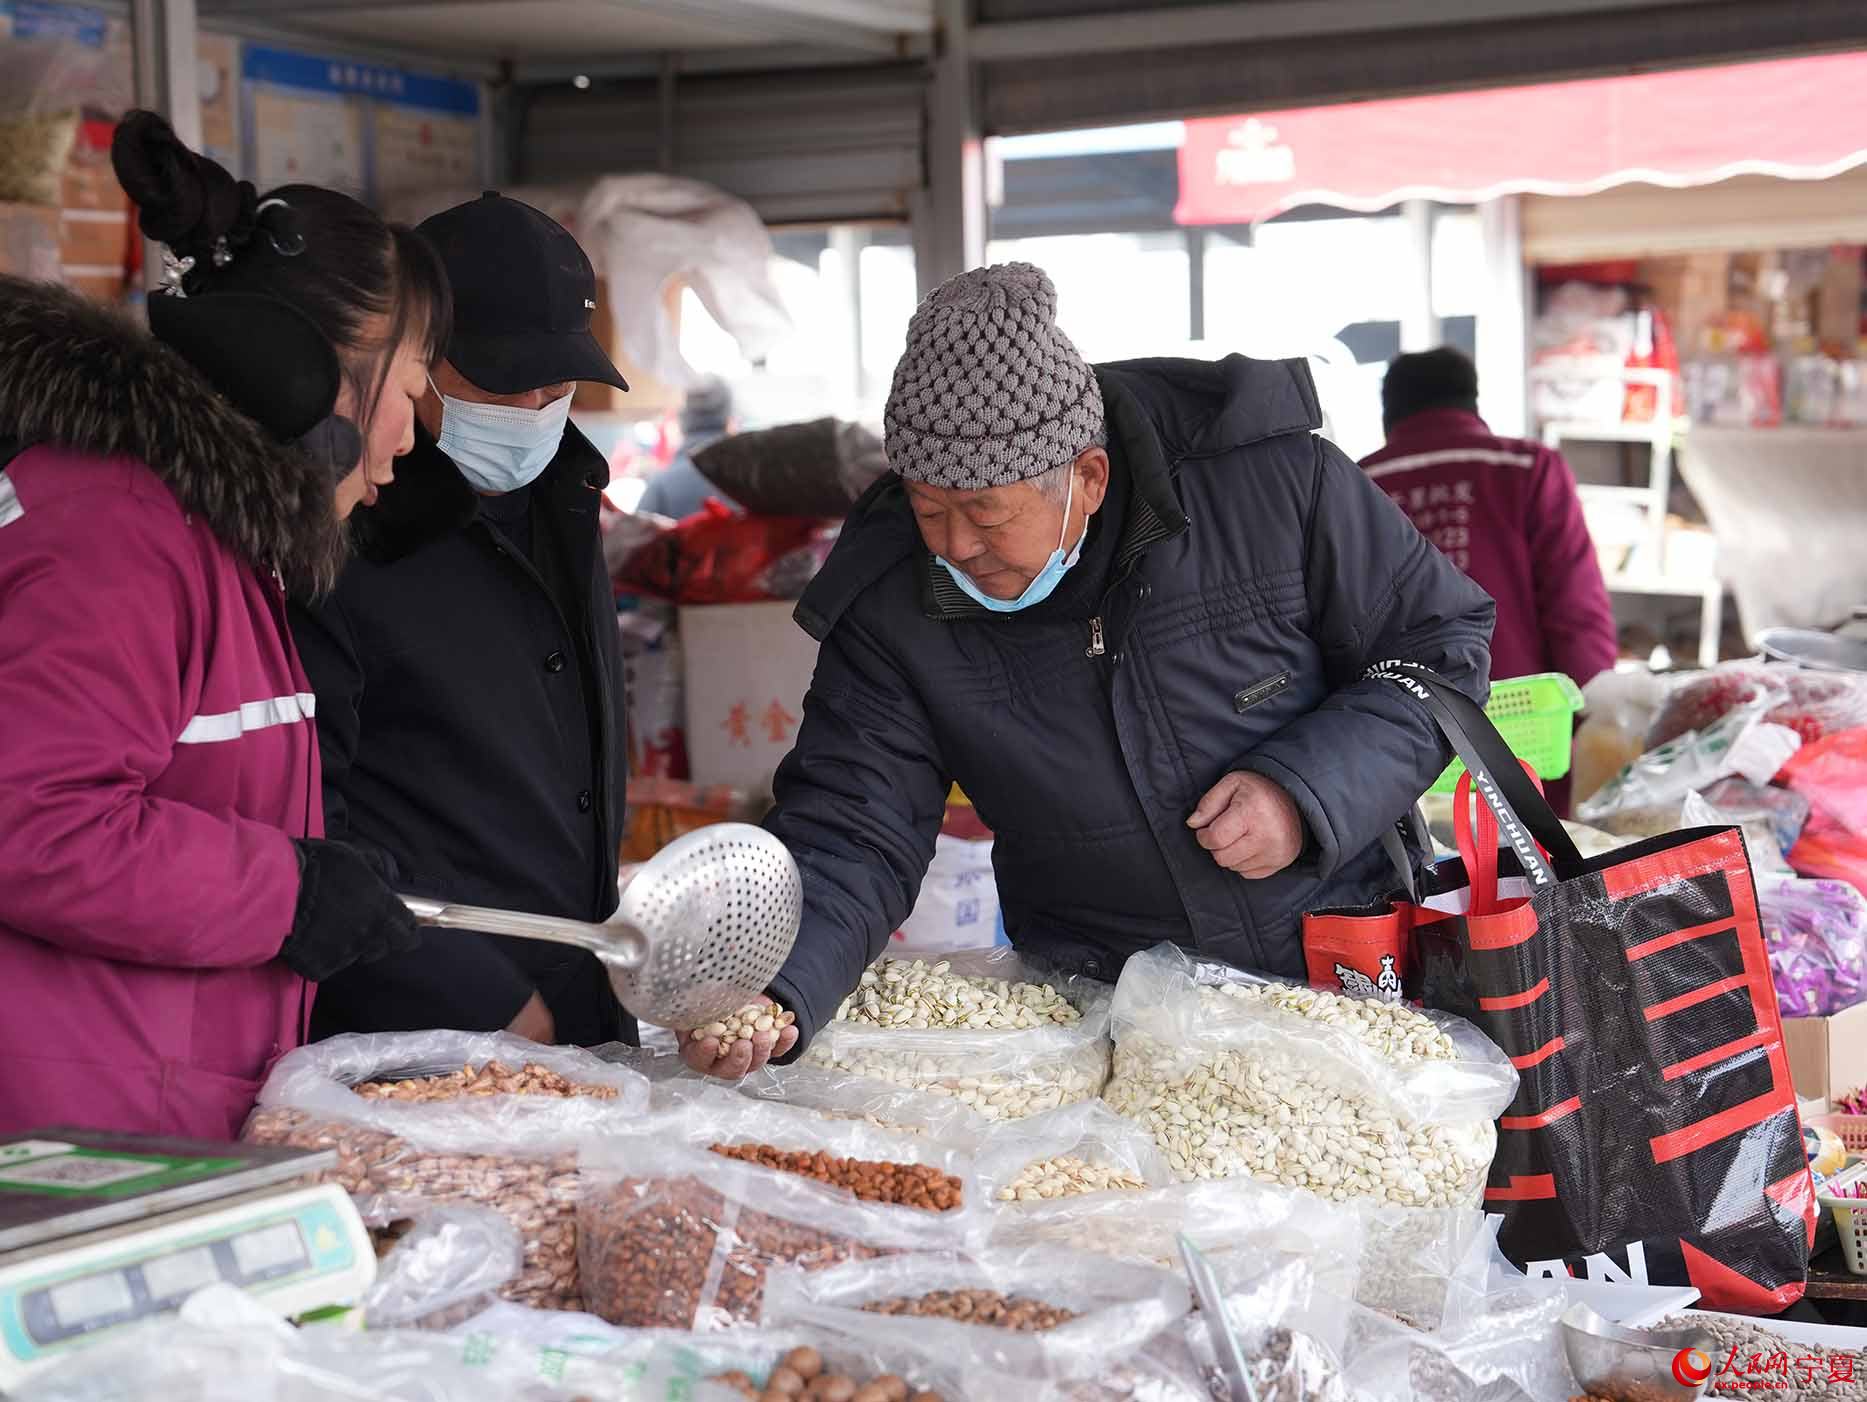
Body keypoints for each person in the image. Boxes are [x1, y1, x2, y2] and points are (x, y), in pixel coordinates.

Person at [681, 262, 1495, 1078]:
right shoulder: (892, 598)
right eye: (928, 510)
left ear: (1087, 478)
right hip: (1098, 1010)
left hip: (1335, 970)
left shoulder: (1272, 487)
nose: (955, 546)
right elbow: (853, 823)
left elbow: (1439, 646)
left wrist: (1305, 792)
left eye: (987, 514)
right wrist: (775, 983)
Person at [0, 111, 443, 1137]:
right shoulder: (117, 528)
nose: (408, 442)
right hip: (73, 1147)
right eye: (413, 386)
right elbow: (33, 820)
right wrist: (284, 892)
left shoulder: (219, 538)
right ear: (321, 375)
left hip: (153, 1118)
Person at [291, 193, 634, 1049]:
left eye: (555, 384)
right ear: (415, 365)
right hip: (417, 1029)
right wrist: (474, 998)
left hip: (579, 1002)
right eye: (501, 381)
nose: (532, 407)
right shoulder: (341, 535)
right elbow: (304, 821)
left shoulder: (568, 494)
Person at [1362, 347, 1617, 812]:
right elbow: (1575, 610)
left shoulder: (1358, 485)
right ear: (1471, 402)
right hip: (1524, 745)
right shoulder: (1525, 468)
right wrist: (1590, 713)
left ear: (1389, 412)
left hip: (1394, 757)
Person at [637, 376, 737, 519]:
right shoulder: (752, 481)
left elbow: (636, 536)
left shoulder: (662, 485)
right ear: (729, 421)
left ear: (682, 422)